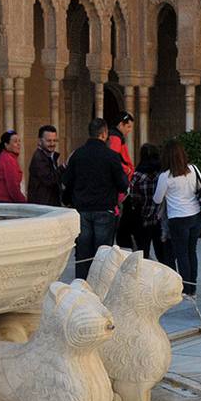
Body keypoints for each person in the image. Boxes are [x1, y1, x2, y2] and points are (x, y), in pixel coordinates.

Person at [63, 117, 130, 281]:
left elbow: (66, 181)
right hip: (104, 209)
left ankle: (81, 286)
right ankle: (99, 287)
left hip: (82, 210)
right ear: (104, 133)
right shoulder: (111, 156)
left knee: (83, 252)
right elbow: (123, 184)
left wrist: (69, 200)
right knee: (102, 253)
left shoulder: (77, 155)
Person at [154, 137, 201, 296]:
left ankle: (185, 289)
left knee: (181, 254)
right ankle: (193, 288)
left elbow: (157, 199)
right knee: (191, 252)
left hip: (178, 218)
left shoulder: (165, 176)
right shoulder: (194, 169)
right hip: (196, 215)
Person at [119, 142, 164, 261]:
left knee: (143, 253)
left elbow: (133, 197)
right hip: (159, 218)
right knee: (162, 253)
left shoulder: (138, 175)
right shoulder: (161, 174)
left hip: (142, 219)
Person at [0, 129, 27, 203]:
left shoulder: (0, 156)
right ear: (6, 145)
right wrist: (23, 202)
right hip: (2, 201)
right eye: (15, 141)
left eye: (19, 141)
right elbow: (13, 186)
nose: (19, 144)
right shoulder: (8, 159)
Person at [27, 124, 64, 206]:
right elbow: (50, 180)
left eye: (54, 140)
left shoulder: (50, 157)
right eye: (49, 141)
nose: (52, 144)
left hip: (48, 204)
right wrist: (63, 168)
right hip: (42, 206)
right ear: (40, 141)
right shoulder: (39, 158)